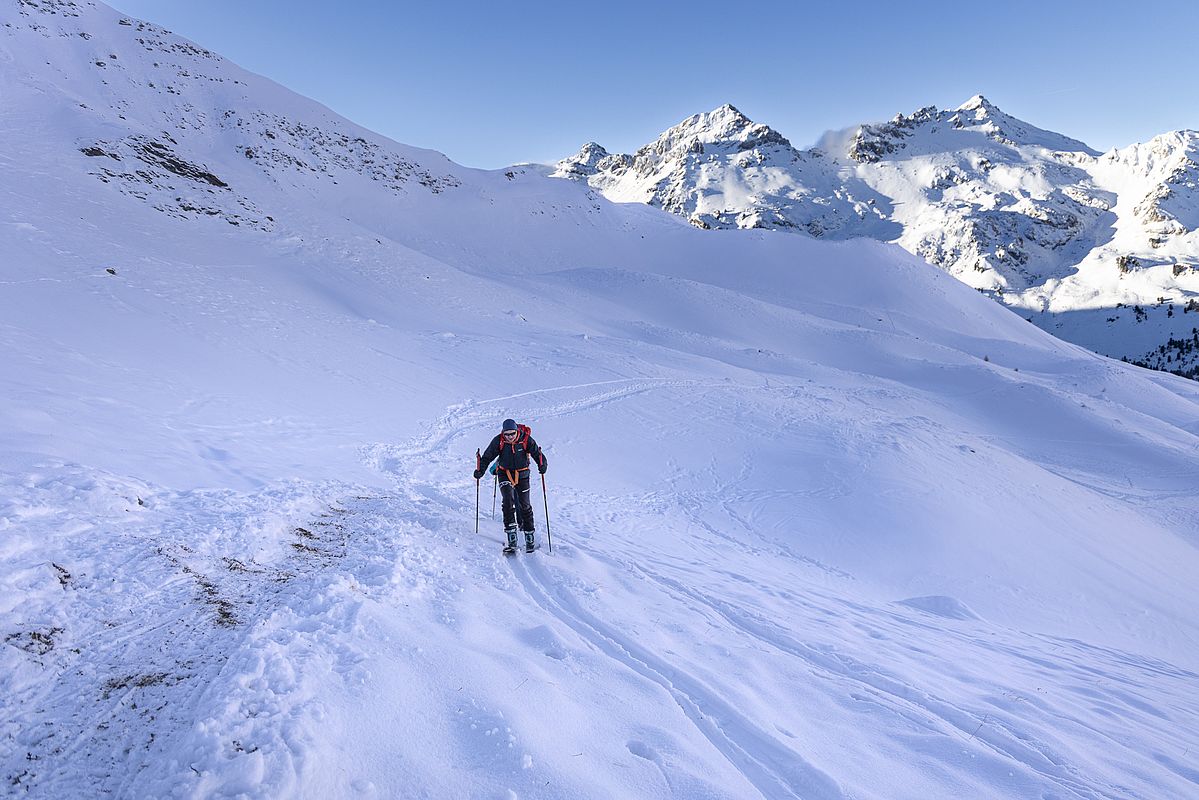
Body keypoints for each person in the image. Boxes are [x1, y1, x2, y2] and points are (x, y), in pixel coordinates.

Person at [474, 418, 548, 553]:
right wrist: (480, 471)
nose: (509, 437)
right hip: (504, 472)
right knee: (508, 501)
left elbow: (538, 454)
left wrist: (542, 465)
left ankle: (529, 537)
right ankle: (511, 537)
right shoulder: (499, 440)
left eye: (512, 434)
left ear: (516, 431)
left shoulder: (526, 439)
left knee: (525, 504)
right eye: (506, 434)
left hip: (523, 474)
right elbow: (487, 457)